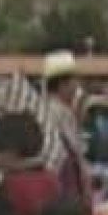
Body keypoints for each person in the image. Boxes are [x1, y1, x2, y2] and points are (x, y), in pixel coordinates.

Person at [39, 51, 89, 200]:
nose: (77, 88)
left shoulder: (46, 108)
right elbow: (74, 151)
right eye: (75, 82)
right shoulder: (59, 112)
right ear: (63, 84)